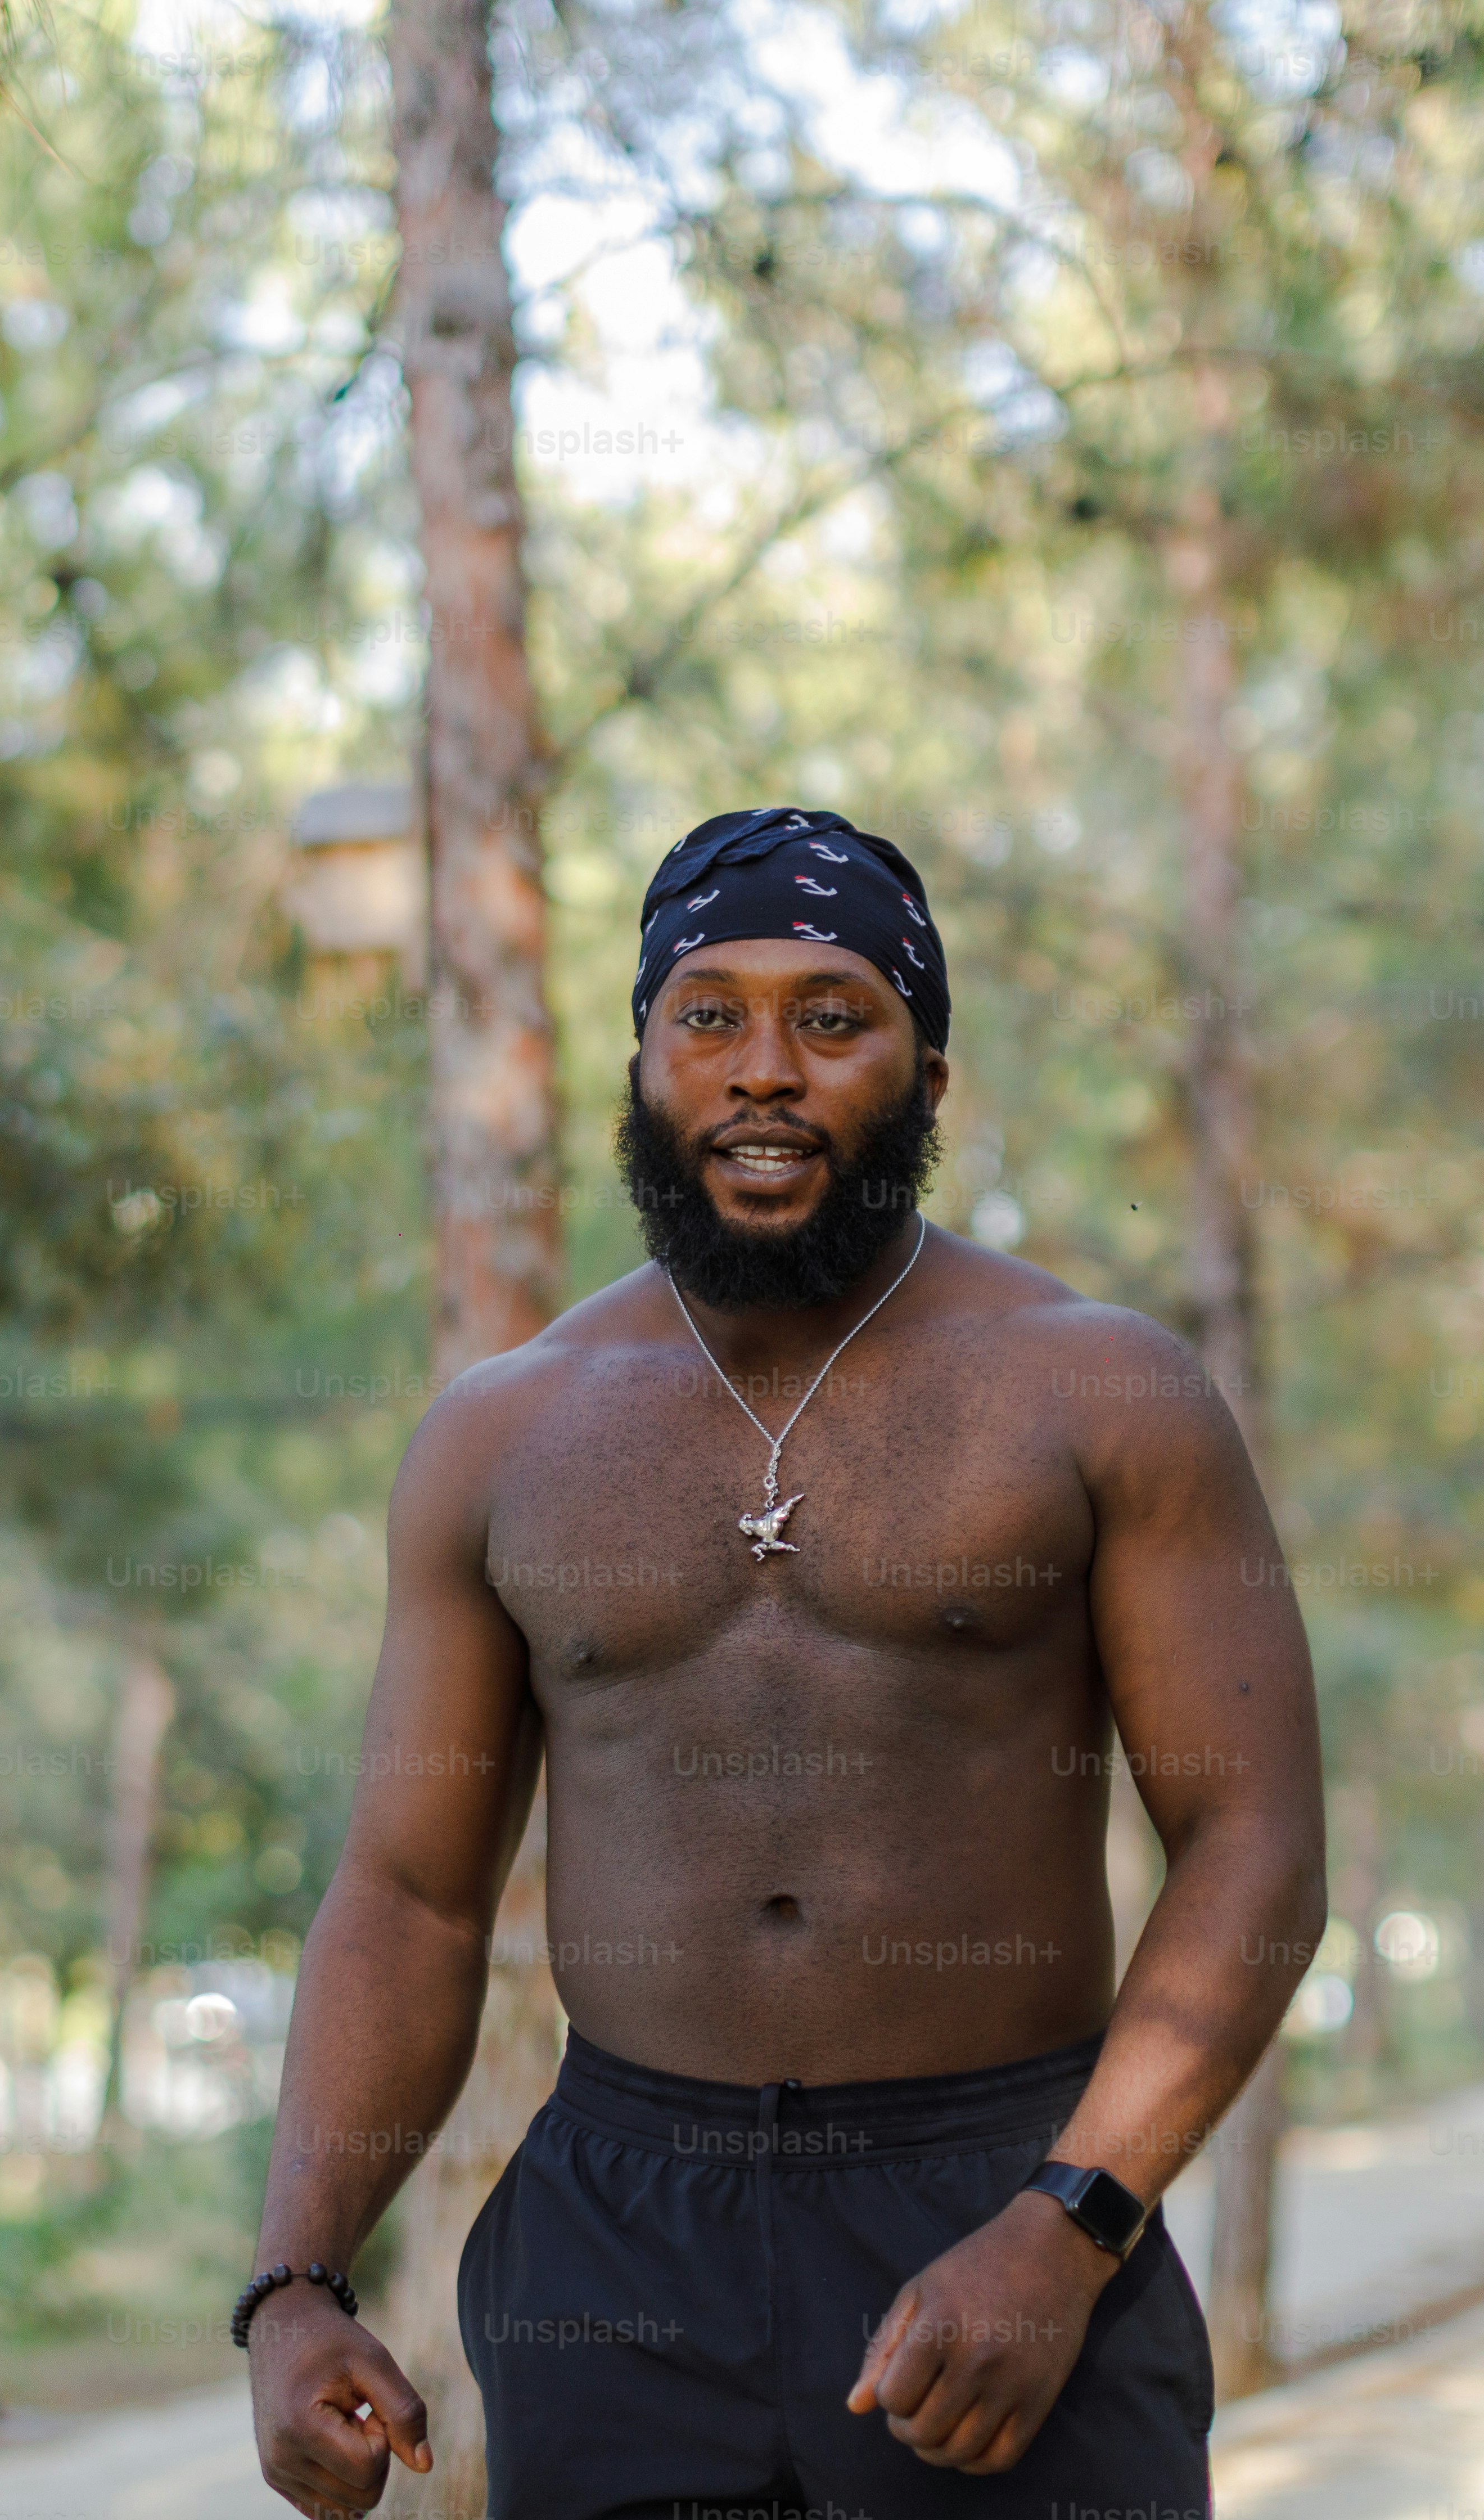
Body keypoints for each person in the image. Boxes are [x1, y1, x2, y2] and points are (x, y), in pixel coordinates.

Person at [239, 806, 1327, 2519]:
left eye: (833, 1017)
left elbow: (1255, 1844)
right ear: (644, 1059)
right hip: (619, 2228)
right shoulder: (503, 1437)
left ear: (929, 1077)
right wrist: (294, 2276)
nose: (765, 1069)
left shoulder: (1099, 1394)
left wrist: (1072, 2225)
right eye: (710, 1014)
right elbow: (407, 1895)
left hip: (995, 2187)